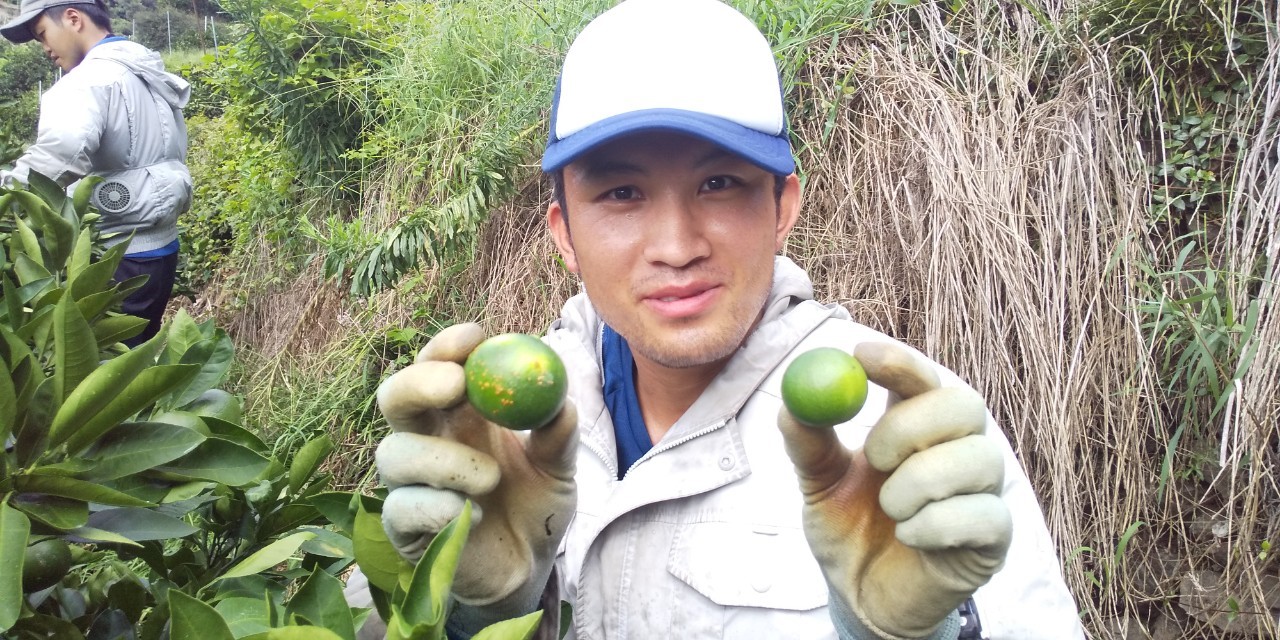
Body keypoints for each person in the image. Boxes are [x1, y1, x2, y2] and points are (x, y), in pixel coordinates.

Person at [355, 0, 1086, 638]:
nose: (676, 248)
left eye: (719, 182)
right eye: (620, 194)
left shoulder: (897, 436)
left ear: (783, 209)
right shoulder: (489, 432)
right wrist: (473, 614)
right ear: (563, 234)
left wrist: (916, 637)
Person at [1, 0, 192, 346]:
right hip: (161, 245)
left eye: (43, 34)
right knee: (132, 361)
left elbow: (59, 156)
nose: (44, 48)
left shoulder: (88, 82)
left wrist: (5, 194)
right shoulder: (144, 70)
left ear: (73, 19)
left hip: (113, 256)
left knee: (95, 373)